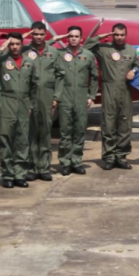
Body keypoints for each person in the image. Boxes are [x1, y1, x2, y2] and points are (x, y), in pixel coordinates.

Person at [84, 23, 139, 170]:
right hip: (109, 89)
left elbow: (137, 65)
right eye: (116, 34)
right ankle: (109, 158)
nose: (119, 37)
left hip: (125, 91)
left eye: (122, 35)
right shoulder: (103, 49)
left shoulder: (131, 50)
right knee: (108, 125)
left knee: (124, 125)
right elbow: (86, 47)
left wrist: (133, 71)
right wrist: (99, 37)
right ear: (112, 34)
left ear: (125, 35)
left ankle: (121, 157)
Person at [48, 27, 99, 175]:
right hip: (65, 96)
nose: (74, 39)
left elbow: (94, 76)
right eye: (71, 36)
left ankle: (76, 161)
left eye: (76, 36)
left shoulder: (88, 55)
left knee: (79, 131)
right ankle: (65, 162)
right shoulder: (59, 54)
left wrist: (91, 95)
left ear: (81, 38)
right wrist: (54, 39)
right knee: (65, 132)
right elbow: (45, 48)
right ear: (67, 38)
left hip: (81, 97)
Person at [0, 33, 38, 188]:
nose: (15, 47)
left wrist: (30, 105)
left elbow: (34, 86)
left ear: (22, 44)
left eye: (17, 44)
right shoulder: (3, 60)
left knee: (22, 140)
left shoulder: (29, 62)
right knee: (5, 139)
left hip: (23, 103)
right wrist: (1, 48)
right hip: (6, 101)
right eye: (12, 44)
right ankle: (8, 175)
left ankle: (20, 174)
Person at [23, 22, 65, 182]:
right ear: (31, 34)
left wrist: (56, 96)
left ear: (46, 34)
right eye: (35, 34)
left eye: (41, 34)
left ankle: (44, 168)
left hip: (47, 96)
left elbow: (60, 75)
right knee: (31, 132)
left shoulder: (53, 52)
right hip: (30, 96)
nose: (38, 37)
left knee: (46, 132)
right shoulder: (25, 51)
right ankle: (32, 167)